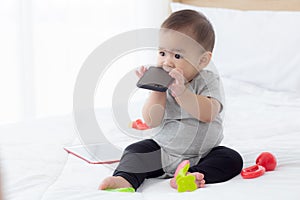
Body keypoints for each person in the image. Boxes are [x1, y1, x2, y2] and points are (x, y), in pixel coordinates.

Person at [99, 9, 243, 191]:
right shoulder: (162, 81)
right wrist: (157, 91)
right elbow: (152, 121)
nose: (167, 62)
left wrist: (182, 93)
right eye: (162, 53)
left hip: (204, 154)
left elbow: (209, 114)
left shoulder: (208, 80)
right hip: (163, 152)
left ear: (202, 60)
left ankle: (190, 175)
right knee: (134, 151)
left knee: (231, 159)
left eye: (177, 56)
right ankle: (125, 179)